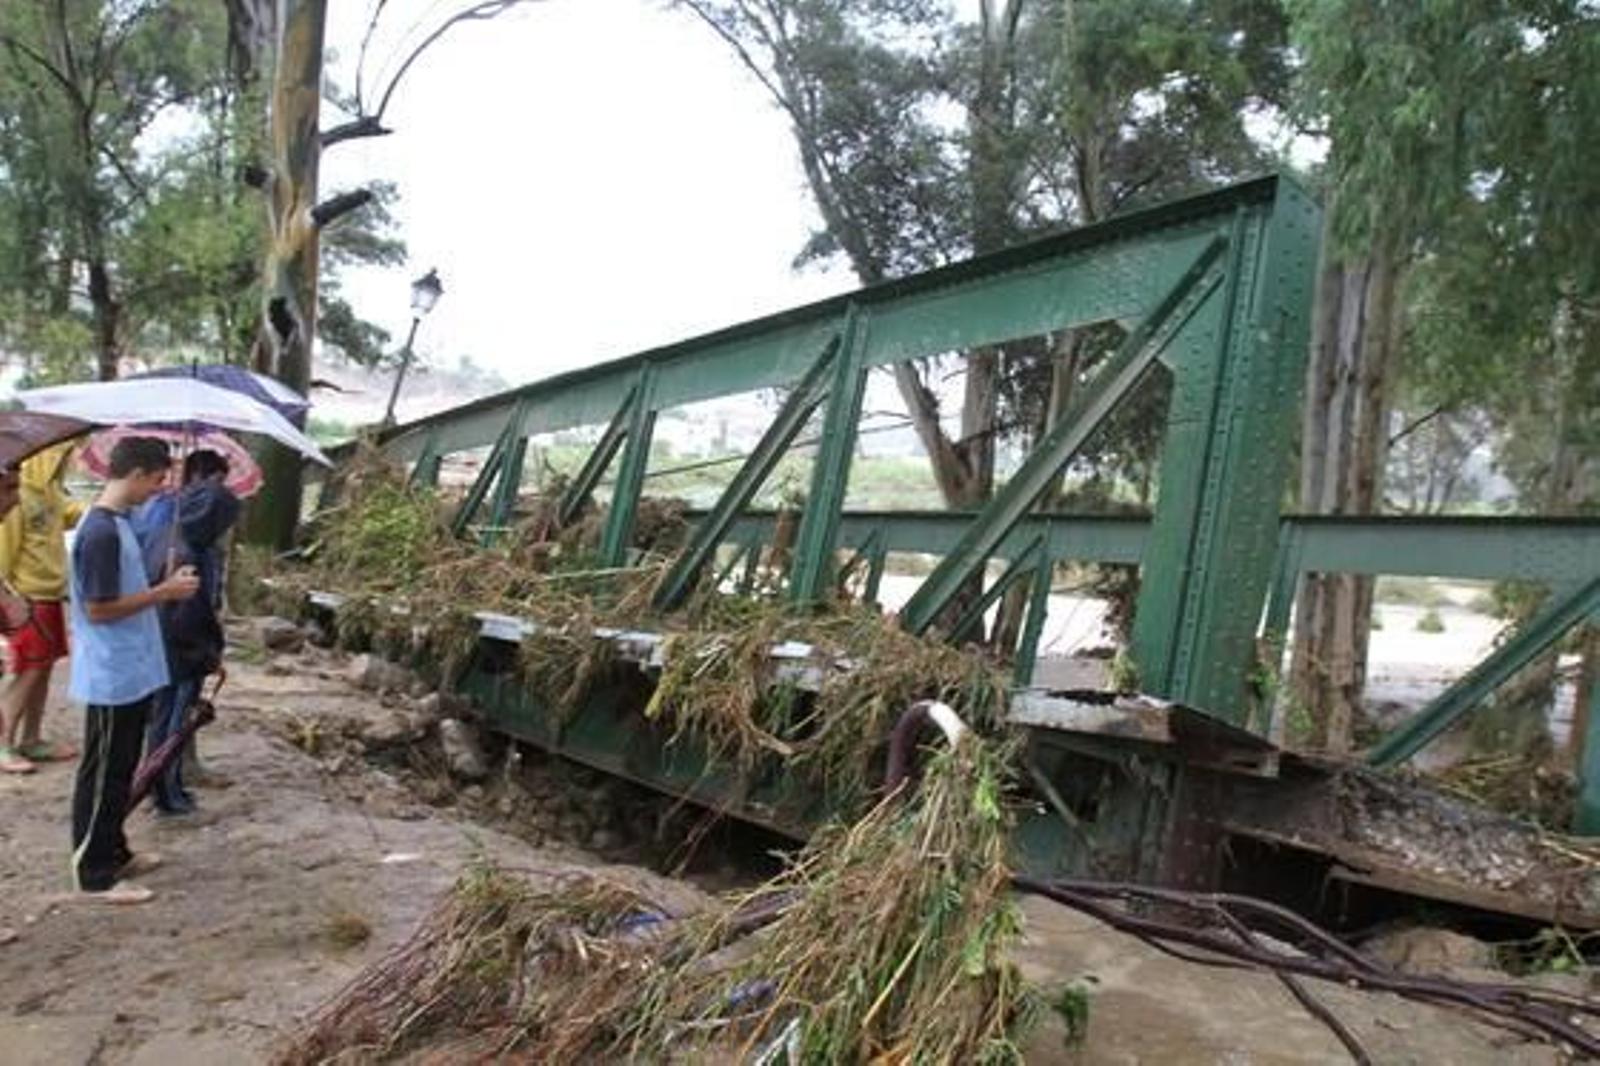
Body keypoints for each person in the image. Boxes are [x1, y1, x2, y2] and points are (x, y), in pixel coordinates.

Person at [67, 436, 199, 902]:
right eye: (158, 480)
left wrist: (162, 584)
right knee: (102, 773)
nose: (159, 490)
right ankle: (95, 872)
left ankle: (115, 850)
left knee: (121, 769)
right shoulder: (100, 530)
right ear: (137, 473)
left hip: (130, 669)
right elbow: (99, 608)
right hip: (110, 671)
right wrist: (162, 593)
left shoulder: (119, 523)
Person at [141, 450, 240, 815]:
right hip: (181, 650)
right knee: (171, 723)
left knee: (166, 718)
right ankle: (165, 795)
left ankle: (167, 787)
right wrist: (208, 653)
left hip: (166, 643)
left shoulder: (176, 533)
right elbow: (189, 614)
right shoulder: (188, 551)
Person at [0, 443, 86, 773]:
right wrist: (9, 597)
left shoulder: (50, 492)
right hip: (27, 596)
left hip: (49, 594)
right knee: (27, 672)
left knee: (44, 669)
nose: (66, 461)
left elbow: (70, 514)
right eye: (62, 455)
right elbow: (5, 551)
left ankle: (31, 738)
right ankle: (4, 742)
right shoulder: (18, 496)